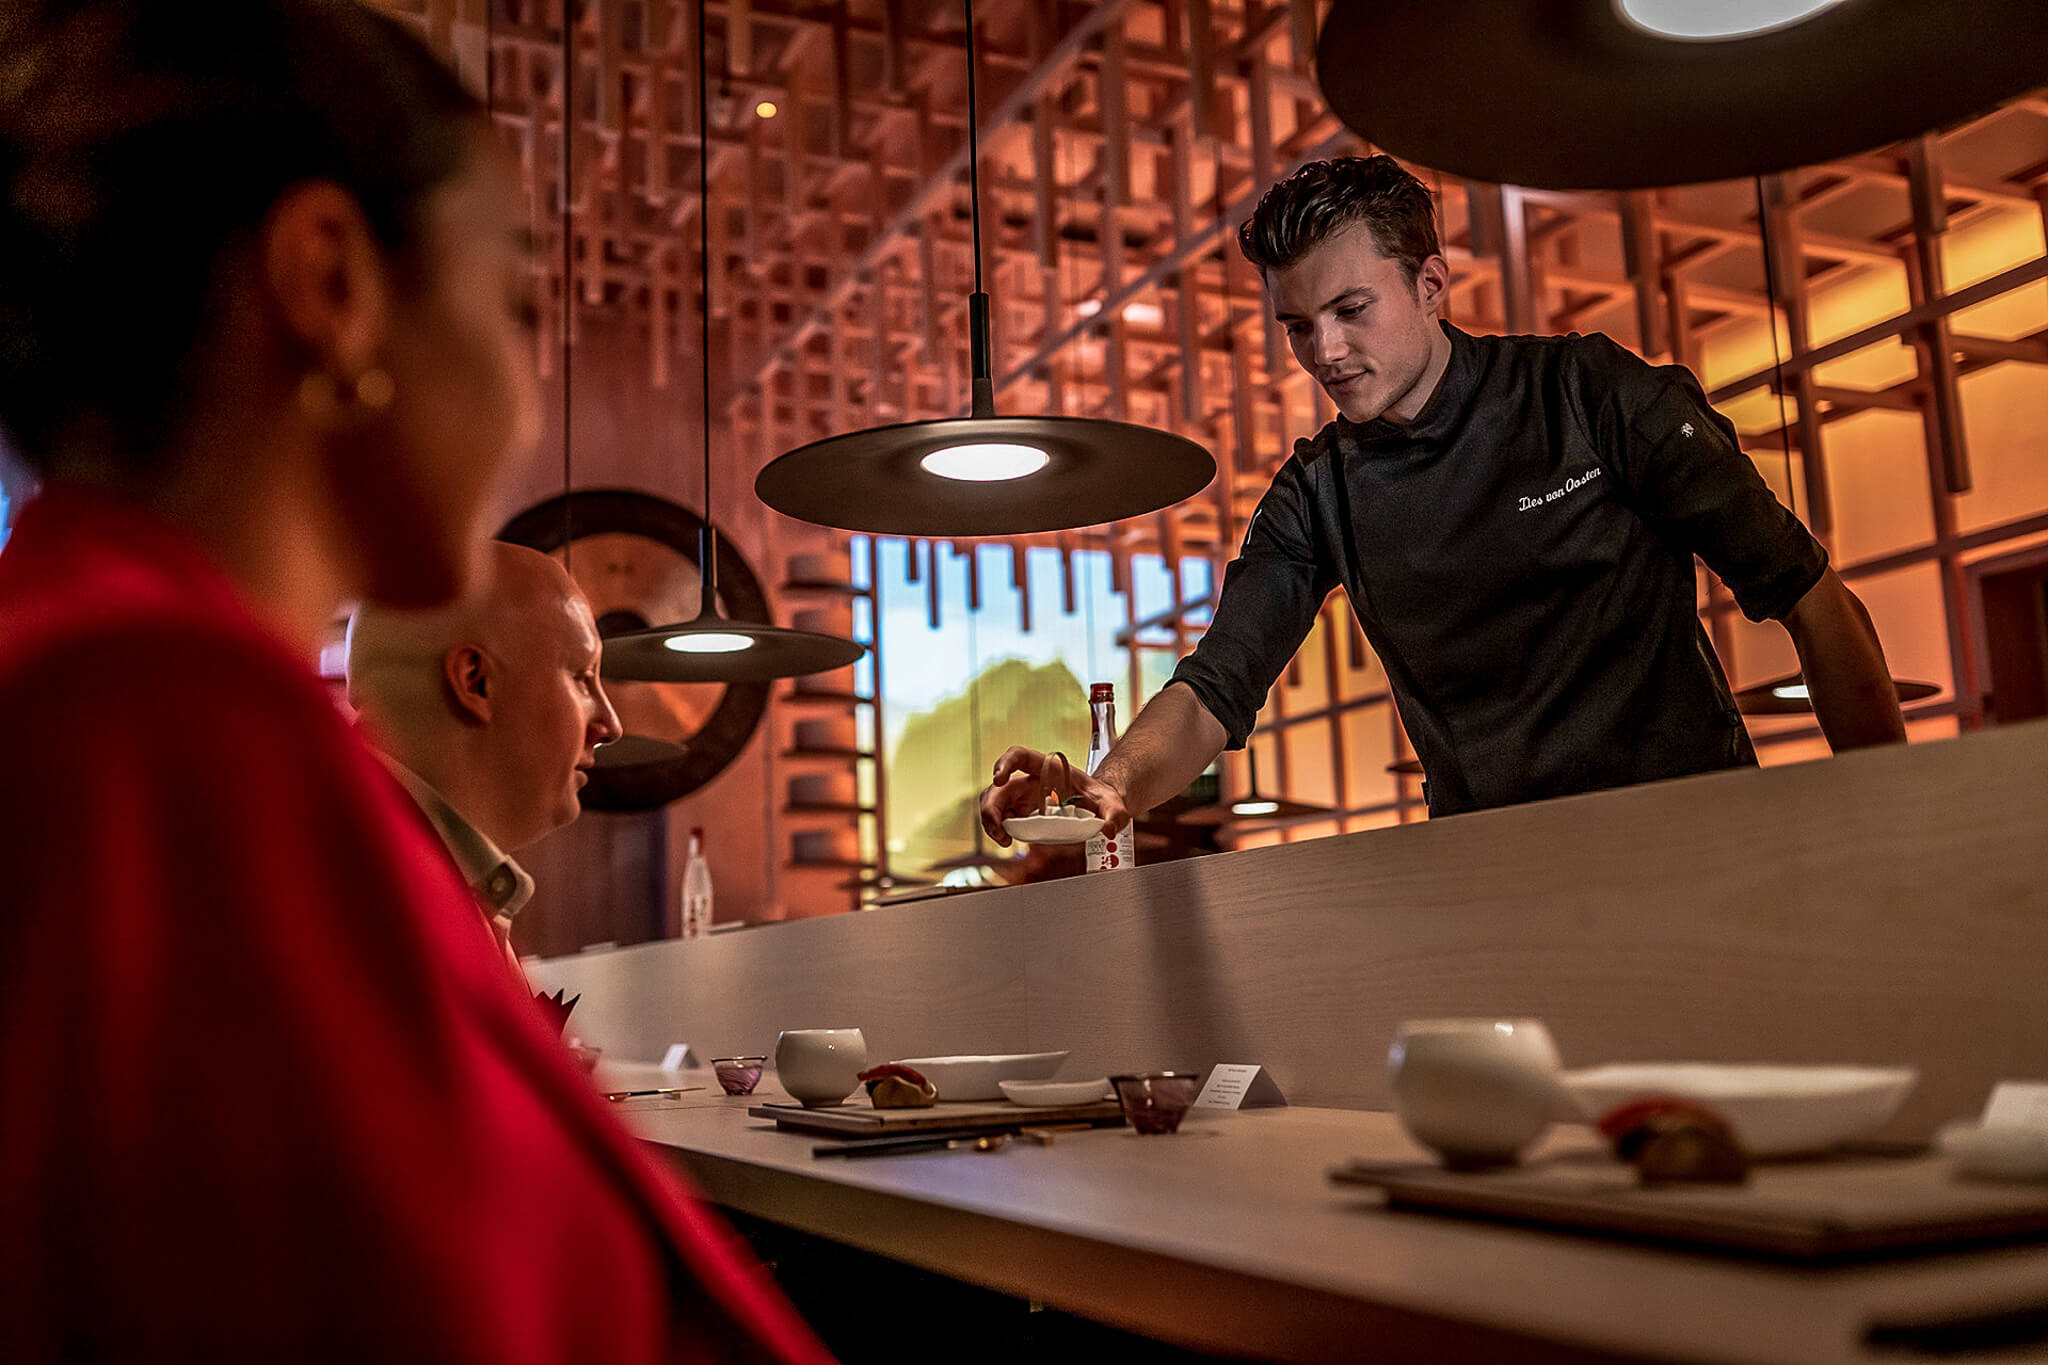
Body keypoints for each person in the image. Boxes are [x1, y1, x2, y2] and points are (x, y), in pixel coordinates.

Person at [0, 3, 828, 1361]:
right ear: (331, 284)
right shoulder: (148, 727)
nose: (528, 384)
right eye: (515, 301)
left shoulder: (151, 692)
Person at [984, 155, 1904, 837]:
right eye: (1298, 326)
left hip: (1697, 836)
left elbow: (1810, 596)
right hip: (1489, 875)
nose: (1324, 353)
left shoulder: (1590, 395)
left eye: (1351, 310)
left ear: (1430, 284)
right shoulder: (1318, 491)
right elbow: (1215, 687)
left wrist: (1893, 825)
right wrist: (1108, 784)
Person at [347, 541, 623, 976]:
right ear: (476, 681)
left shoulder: (407, 877)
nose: (609, 724)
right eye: (581, 678)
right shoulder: (358, 897)